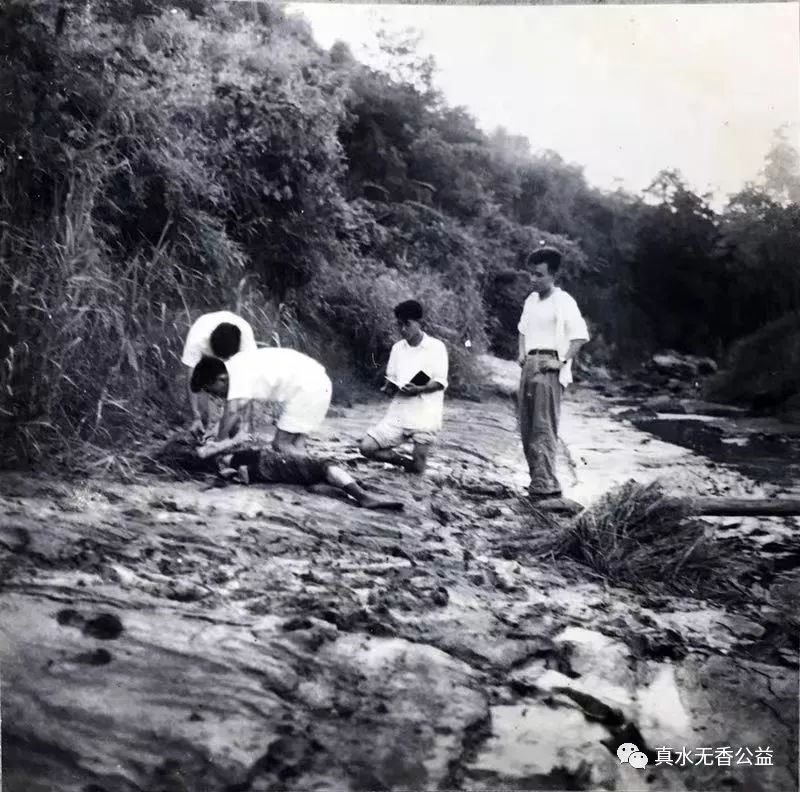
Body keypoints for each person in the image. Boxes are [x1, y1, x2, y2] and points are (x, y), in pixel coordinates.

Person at [158, 434, 404, 511]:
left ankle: (339, 491)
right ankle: (363, 497)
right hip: (268, 463)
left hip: (267, 467)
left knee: (316, 475)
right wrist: (237, 473)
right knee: (323, 464)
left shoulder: (216, 462)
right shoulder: (220, 457)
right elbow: (240, 464)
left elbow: (237, 468)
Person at [517, 246, 590, 502]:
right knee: (526, 426)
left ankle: (544, 483)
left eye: (538, 275)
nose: (533, 279)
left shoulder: (564, 301)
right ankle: (542, 480)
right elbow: (523, 330)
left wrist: (560, 361)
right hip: (529, 364)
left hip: (549, 365)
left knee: (543, 425)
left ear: (552, 275)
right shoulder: (531, 300)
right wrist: (521, 353)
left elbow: (579, 336)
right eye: (531, 274)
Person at [359, 300, 448, 474]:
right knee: (366, 447)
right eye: (399, 324)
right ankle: (403, 463)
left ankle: (415, 469)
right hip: (399, 414)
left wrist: (419, 389)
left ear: (418, 322)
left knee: (420, 462)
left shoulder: (436, 347)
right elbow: (391, 378)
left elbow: (440, 382)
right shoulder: (397, 349)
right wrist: (388, 388)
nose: (403, 329)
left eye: (407, 324)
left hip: (425, 415)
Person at [189, 346, 332, 454]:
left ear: (221, 379)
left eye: (210, 390)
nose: (214, 396)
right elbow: (233, 413)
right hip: (315, 382)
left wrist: (217, 445)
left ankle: (321, 471)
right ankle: (315, 472)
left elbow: (231, 413)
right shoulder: (236, 366)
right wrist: (217, 437)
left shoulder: (236, 375)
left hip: (307, 388)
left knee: (280, 444)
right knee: (295, 445)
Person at [181, 311, 258, 438]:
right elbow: (192, 377)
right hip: (207, 349)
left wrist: (245, 424)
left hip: (236, 346)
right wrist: (196, 416)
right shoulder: (197, 339)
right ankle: (210, 428)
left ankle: (237, 429)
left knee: (236, 418)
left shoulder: (245, 339)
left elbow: (249, 380)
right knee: (208, 405)